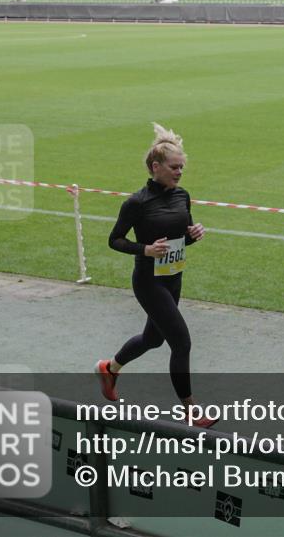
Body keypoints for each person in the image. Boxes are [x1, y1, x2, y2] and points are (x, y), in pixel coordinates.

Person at [95, 123, 214, 428]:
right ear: (155, 167)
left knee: (153, 339)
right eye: (174, 167)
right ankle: (190, 410)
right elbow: (115, 239)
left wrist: (193, 234)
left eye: (182, 167)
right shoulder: (136, 203)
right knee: (181, 342)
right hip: (149, 282)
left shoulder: (182, 196)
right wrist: (144, 249)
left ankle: (110, 368)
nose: (180, 172)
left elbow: (180, 237)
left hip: (174, 277)